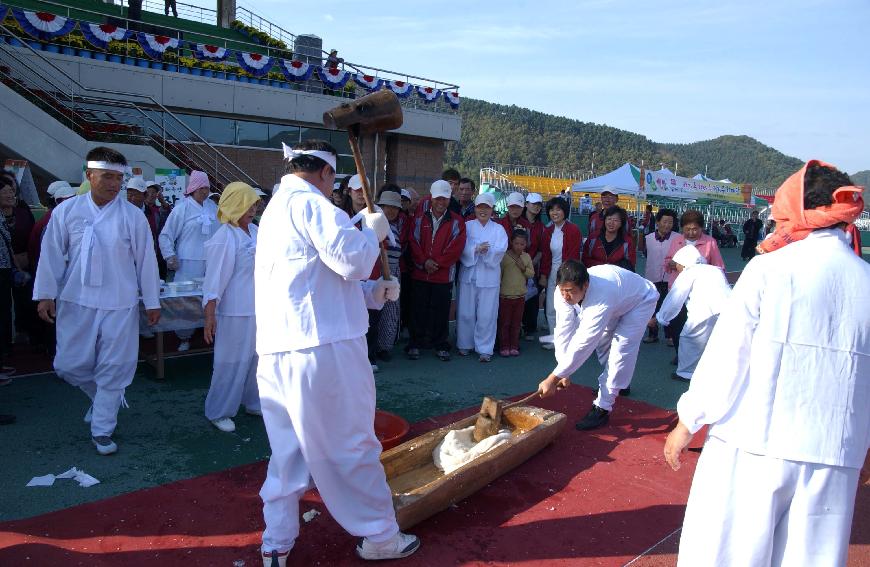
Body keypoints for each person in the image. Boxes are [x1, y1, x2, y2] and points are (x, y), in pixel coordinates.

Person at [664, 160, 868, 567]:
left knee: (724, 556)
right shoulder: (866, 279)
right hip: (834, 451)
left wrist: (689, 419)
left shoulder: (769, 269)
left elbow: (728, 355)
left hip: (754, 441)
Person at [255, 140, 417, 565]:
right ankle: (381, 537)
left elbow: (311, 281)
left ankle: (277, 541)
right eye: (333, 184)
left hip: (279, 351)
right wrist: (372, 230)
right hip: (322, 351)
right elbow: (351, 261)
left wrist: (372, 293)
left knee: (287, 452)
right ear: (326, 174)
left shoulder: (274, 210)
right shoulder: (314, 205)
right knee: (352, 444)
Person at [33, 147, 160, 455]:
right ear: (89, 176)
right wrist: (45, 294)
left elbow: (145, 261)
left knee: (115, 367)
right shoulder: (66, 211)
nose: (114, 184)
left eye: (119, 178)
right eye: (107, 176)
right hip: (76, 299)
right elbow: (50, 255)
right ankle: (106, 398)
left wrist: (152, 300)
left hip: (120, 301)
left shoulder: (133, 216)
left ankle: (103, 428)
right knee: (68, 364)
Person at [537, 260, 658, 430]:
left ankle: (603, 407)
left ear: (585, 285)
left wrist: (553, 377)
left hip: (641, 300)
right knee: (604, 343)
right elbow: (563, 330)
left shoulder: (601, 295)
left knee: (621, 349)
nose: (565, 296)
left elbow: (584, 342)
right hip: (619, 298)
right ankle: (616, 385)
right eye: (563, 290)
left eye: (570, 291)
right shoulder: (562, 291)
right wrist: (563, 371)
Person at [202, 182, 261, 433]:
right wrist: (210, 315)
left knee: (258, 360)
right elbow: (213, 281)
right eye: (249, 204)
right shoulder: (224, 236)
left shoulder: (257, 231)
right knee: (231, 361)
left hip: (260, 308)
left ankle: (254, 400)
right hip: (234, 310)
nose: (254, 209)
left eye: (255, 205)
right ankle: (219, 410)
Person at [158, 170, 219, 351]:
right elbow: (166, 235)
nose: (205, 192)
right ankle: (184, 336)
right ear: (193, 188)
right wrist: (170, 256)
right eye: (202, 188)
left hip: (211, 261)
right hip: (187, 263)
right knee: (186, 299)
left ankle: (209, 332)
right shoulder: (181, 209)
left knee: (210, 297)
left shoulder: (212, 208)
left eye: (207, 188)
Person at [407, 180, 466, 361]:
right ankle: (415, 343)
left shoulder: (457, 221)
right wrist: (425, 262)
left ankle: (441, 344)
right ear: (431, 198)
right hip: (420, 273)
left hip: (443, 276)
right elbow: (413, 242)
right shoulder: (419, 219)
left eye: (445, 199)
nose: (441, 202)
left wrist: (437, 263)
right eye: (438, 198)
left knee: (441, 311)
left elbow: (456, 248)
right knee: (418, 310)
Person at [654, 245, 730, 382]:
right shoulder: (714, 270)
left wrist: (662, 317)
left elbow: (675, 298)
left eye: (677, 264)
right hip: (727, 309)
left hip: (703, 311)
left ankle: (686, 373)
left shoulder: (689, 273)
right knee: (717, 341)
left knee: (688, 339)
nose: (677, 268)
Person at [663, 210, 725, 363]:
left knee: (696, 327)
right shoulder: (677, 240)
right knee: (677, 325)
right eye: (687, 229)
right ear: (682, 228)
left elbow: (719, 267)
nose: (691, 233)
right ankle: (680, 354)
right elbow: (667, 261)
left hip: (699, 294)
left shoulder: (710, 242)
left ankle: (696, 357)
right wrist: (672, 264)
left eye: (695, 229)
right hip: (677, 291)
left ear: (701, 228)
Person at [456, 192, 507, 362]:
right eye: (480, 207)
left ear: (492, 209)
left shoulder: (499, 229)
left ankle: (485, 348)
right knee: (465, 312)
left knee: (487, 314)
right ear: (475, 208)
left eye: (487, 207)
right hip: (469, 274)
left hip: (489, 276)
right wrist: (475, 249)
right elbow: (460, 245)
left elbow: (501, 249)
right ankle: (465, 344)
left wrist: (487, 251)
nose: (483, 211)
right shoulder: (467, 225)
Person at [538, 198, 581, 349]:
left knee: (568, 308)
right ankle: (554, 339)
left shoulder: (573, 230)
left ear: (565, 211)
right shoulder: (548, 231)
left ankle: (569, 341)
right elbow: (545, 255)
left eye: (558, 209)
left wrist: (565, 277)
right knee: (551, 308)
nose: (554, 213)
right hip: (551, 273)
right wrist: (544, 275)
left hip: (568, 274)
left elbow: (573, 255)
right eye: (551, 210)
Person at [374, 190, 408, 361]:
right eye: (388, 206)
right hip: (375, 273)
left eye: (395, 207)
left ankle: (384, 348)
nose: (391, 210)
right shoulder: (372, 222)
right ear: (381, 206)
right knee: (373, 311)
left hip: (393, 273)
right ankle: (372, 348)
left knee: (390, 312)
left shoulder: (396, 226)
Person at [642, 208, 678, 344]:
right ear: (657, 222)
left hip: (671, 278)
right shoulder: (648, 238)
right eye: (664, 222)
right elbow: (645, 254)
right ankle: (652, 333)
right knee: (652, 305)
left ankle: (670, 335)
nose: (667, 225)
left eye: (670, 222)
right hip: (652, 277)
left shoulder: (678, 238)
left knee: (670, 305)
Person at [499, 229, 534, 357]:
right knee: (505, 323)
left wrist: (523, 268)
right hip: (505, 296)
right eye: (516, 243)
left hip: (520, 297)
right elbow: (499, 275)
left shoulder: (527, 257)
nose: (519, 246)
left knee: (516, 323)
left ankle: (514, 346)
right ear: (511, 243)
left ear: (526, 244)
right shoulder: (504, 256)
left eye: (522, 244)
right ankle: (504, 346)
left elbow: (531, 274)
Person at [581, 205, 636, 271]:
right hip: (594, 276)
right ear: (604, 220)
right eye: (609, 219)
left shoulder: (627, 242)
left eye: (615, 220)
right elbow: (585, 259)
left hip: (617, 278)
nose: (611, 223)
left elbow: (630, 265)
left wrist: (610, 268)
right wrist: (604, 267)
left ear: (621, 223)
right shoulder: (593, 238)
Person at [521, 193, 545, 341]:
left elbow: (542, 250)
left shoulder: (541, 227)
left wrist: (530, 264)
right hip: (515, 268)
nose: (536, 207)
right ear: (526, 204)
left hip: (533, 269)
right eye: (533, 203)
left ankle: (529, 328)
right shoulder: (518, 222)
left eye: (539, 204)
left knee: (532, 299)